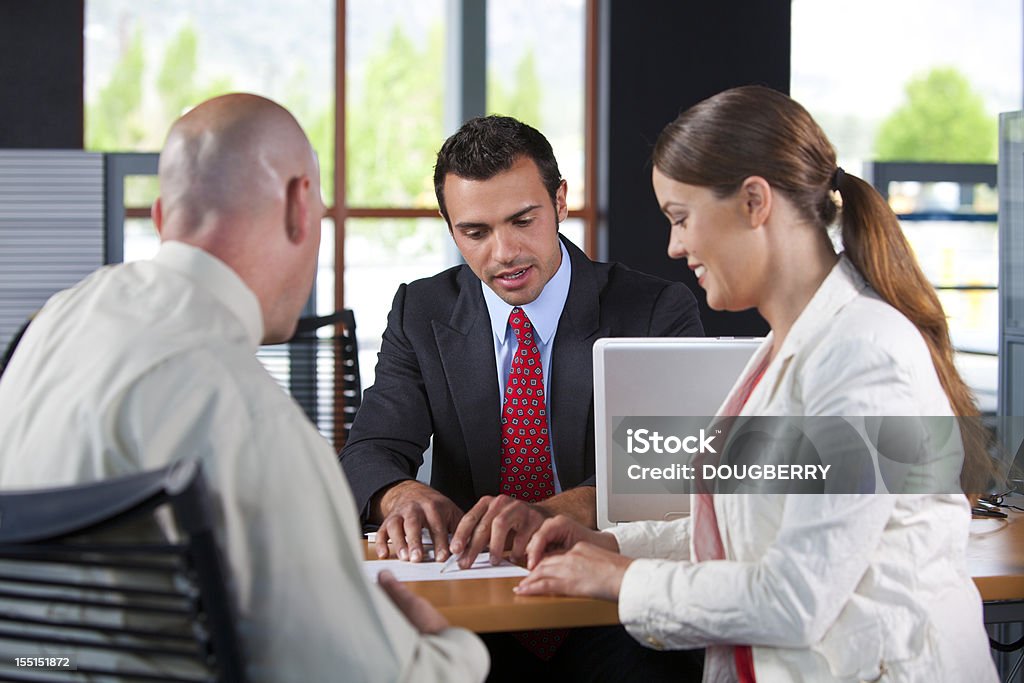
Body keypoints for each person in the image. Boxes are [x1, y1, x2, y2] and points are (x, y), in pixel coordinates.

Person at [515, 85, 998, 682]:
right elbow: (747, 534)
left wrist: (619, 579)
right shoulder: (786, 349)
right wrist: (610, 544)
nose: (674, 245)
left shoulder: (866, 356)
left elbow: (795, 598)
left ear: (753, 202)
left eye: (682, 218)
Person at [0, 93, 488, 683]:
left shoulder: (51, 326)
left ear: (162, 218)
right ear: (299, 205)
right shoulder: (245, 414)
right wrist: (455, 652)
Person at [339, 115, 704, 678]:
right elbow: (369, 450)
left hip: (610, 608)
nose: (504, 252)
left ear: (559, 201)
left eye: (522, 220)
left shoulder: (654, 310)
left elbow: (675, 468)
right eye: (476, 233)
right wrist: (399, 493)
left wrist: (554, 512)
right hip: (473, 609)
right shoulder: (422, 310)